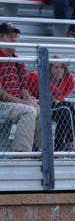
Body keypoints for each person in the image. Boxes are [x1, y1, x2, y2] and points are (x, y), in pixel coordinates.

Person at [0, 23, 40, 153]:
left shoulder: (18, 60)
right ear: (1, 38)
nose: (14, 39)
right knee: (28, 111)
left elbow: (24, 87)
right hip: (2, 103)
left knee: (39, 109)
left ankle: (38, 151)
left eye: (16, 36)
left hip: (14, 104)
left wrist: (29, 99)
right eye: (9, 36)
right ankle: (21, 154)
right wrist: (23, 102)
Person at [26, 55, 75, 151]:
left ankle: (64, 145)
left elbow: (67, 90)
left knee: (67, 110)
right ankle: (67, 144)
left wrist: (59, 98)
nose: (59, 70)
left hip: (55, 106)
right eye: (56, 67)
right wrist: (32, 99)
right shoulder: (36, 76)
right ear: (49, 68)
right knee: (66, 109)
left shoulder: (68, 78)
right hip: (40, 106)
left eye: (62, 67)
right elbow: (26, 89)